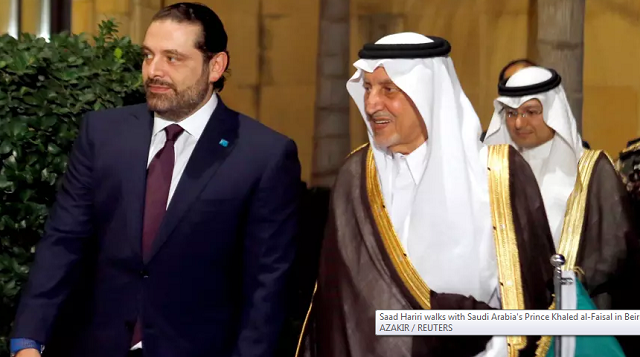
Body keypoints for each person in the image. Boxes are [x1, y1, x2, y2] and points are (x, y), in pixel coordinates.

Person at [10, 3, 301, 357]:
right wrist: (27, 339)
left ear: (216, 66)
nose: (154, 71)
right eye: (148, 56)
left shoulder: (263, 155)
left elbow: (266, 289)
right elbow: (63, 242)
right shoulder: (103, 134)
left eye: (172, 58)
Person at [298, 32, 558, 357]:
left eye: (388, 89)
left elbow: (528, 305)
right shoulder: (357, 174)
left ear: (427, 93)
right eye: (367, 88)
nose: (370, 104)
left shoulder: (496, 174)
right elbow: (339, 306)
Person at [483, 65, 640, 356]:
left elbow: (616, 246)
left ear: (553, 110)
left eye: (532, 112)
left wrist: (566, 285)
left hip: (576, 314)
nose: (519, 123)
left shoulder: (592, 168)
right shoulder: (490, 169)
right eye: (512, 113)